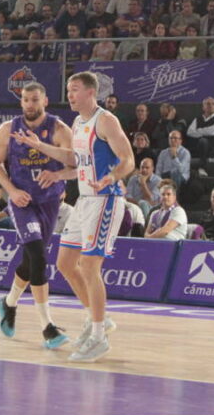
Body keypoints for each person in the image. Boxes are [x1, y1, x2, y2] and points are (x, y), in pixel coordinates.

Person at [14, 71, 135, 363]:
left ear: (91, 93)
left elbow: (128, 158)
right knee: (65, 263)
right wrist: (45, 154)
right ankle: (98, 319)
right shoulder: (78, 123)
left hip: (105, 200)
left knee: (90, 267)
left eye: (75, 89)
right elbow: (75, 162)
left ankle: (98, 336)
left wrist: (112, 176)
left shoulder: (105, 120)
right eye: (68, 90)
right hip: (85, 200)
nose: (69, 94)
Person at [0, 82, 71, 349]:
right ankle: (47, 326)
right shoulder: (7, 129)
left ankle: (9, 303)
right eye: (26, 100)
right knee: (37, 254)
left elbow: (76, 164)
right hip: (23, 201)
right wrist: (11, 191)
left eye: (35, 100)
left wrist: (58, 175)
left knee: (29, 261)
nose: (30, 105)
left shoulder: (59, 129)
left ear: (45, 101)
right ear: (21, 102)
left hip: (49, 202)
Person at [186, 97, 214, 177]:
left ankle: (202, 167)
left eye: (213, 104)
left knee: (203, 141)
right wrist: (204, 132)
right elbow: (189, 132)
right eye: (208, 104)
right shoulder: (197, 119)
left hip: (212, 151)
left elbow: (212, 131)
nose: (210, 106)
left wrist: (198, 131)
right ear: (203, 107)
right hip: (197, 149)